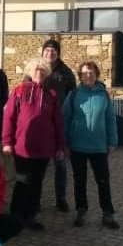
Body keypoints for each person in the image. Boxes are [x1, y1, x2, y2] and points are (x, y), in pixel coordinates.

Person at [2, 58, 64, 231]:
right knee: (22, 181)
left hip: (43, 149)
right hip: (22, 147)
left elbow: (58, 122)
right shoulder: (19, 91)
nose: (39, 73)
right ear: (30, 72)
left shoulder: (51, 95)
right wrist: (7, 142)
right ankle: (16, 214)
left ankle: (30, 215)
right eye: (36, 69)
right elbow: (9, 117)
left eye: (42, 70)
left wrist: (60, 147)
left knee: (37, 183)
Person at [64, 61, 120, 229]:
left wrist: (112, 141)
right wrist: (65, 142)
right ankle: (81, 210)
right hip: (77, 145)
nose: (88, 75)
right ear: (80, 76)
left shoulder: (103, 95)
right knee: (79, 180)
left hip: (99, 146)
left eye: (91, 73)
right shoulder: (74, 94)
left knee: (103, 181)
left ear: (96, 74)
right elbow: (65, 119)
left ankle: (107, 213)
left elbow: (110, 119)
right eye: (85, 73)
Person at [41, 39, 76, 212]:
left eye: (53, 51)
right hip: (40, 125)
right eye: (47, 50)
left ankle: (60, 198)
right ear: (42, 52)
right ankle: (35, 199)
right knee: (39, 165)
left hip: (59, 125)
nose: (50, 53)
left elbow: (73, 97)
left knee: (60, 164)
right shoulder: (37, 68)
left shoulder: (66, 72)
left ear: (58, 53)